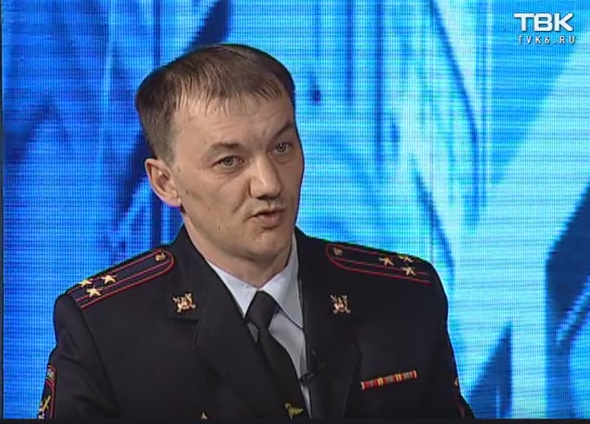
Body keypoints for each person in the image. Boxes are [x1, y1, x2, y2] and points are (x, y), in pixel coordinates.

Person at [38, 43, 475, 419]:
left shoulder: (404, 294)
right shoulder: (103, 329)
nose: (269, 184)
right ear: (165, 183)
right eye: (229, 161)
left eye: (282, 147)